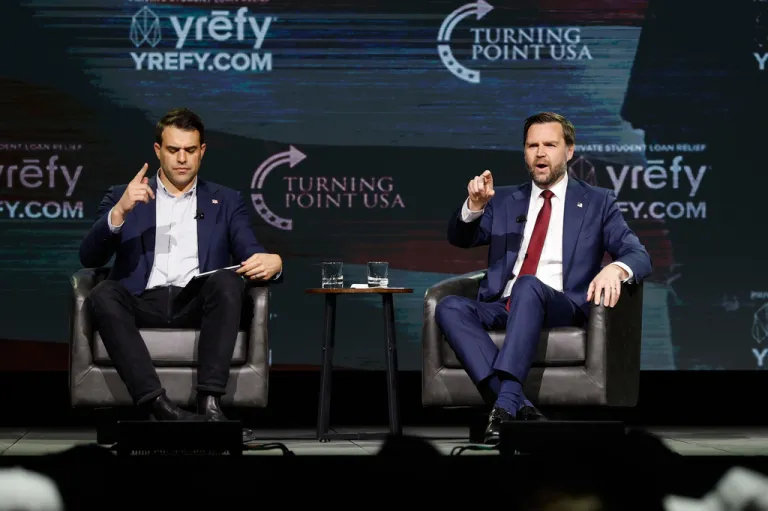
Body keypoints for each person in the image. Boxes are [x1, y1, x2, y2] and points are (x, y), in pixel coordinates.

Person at [435, 112, 652, 444]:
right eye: (532, 145)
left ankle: (504, 406)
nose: (540, 153)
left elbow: (639, 254)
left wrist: (615, 268)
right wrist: (474, 206)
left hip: (560, 304)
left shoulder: (597, 202)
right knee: (450, 307)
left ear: (568, 151)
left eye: (550, 144)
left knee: (528, 284)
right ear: (524, 152)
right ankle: (519, 407)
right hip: (503, 304)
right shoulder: (505, 200)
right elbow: (461, 238)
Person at [79, 108, 283, 436]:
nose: (182, 159)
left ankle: (211, 405)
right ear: (158, 150)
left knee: (228, 280)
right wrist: (119, 212)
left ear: (202, 151)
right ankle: (158, 405)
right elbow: (89, 257)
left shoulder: (226, 201)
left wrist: (273, 262)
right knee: (103, 292)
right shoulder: (123, 195)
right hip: (140, 301)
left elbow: (251, 251)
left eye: (190, 150)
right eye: (173, 150)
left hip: (196, 305)